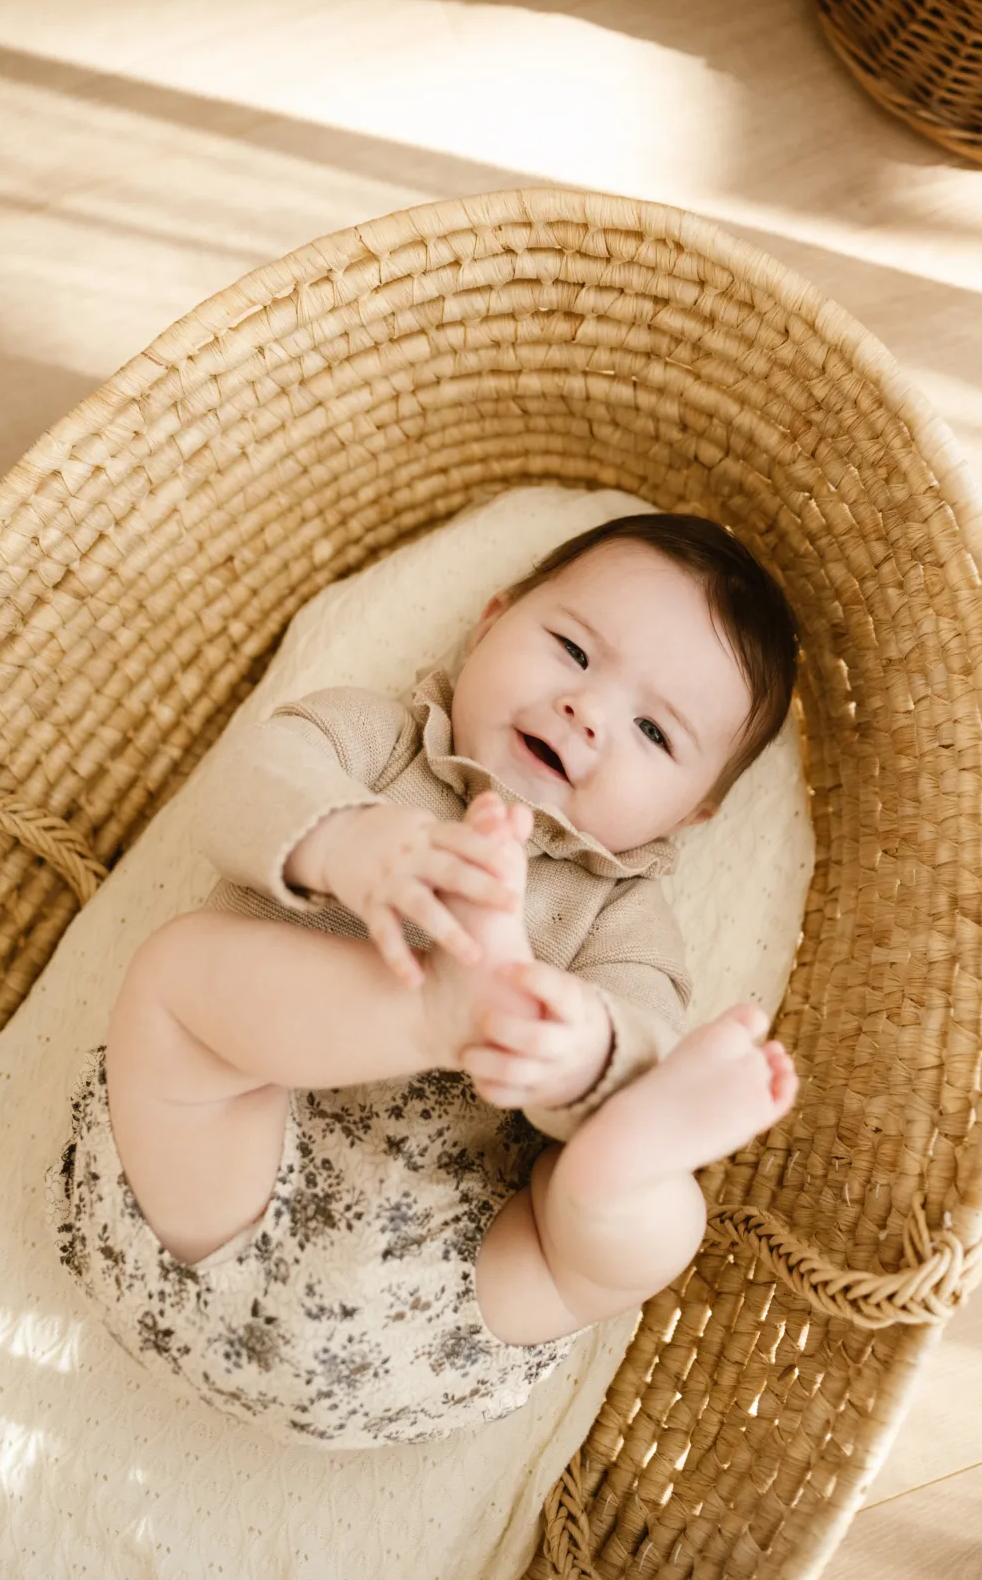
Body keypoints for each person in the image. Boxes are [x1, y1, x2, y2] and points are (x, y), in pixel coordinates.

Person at [48, 514, 801, 1446]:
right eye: (571, 649)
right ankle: (439, 1013)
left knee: (651, 1221)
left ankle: (620, 1161)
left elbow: (644, 1024)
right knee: (181, 976)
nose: (589, 711)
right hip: (218, 1186)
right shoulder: (378, 743)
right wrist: (345, 837)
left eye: (653, 729)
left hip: (448, 1296)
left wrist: (578, 1057)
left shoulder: (623, 919)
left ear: (696, 812)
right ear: (488, 626)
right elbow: (242, 784)